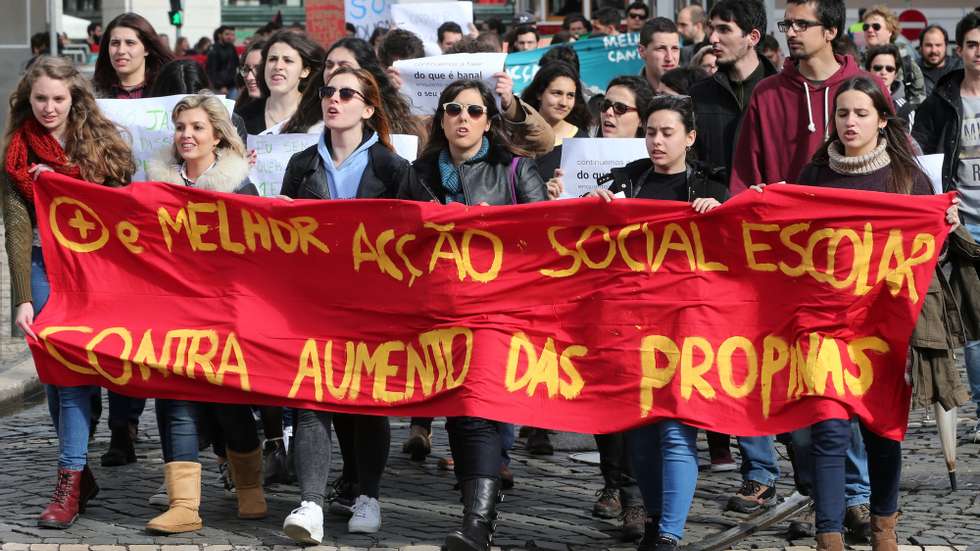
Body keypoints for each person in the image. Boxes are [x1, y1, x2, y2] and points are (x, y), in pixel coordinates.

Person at [728, 1, 887, 526]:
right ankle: (823, 493)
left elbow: (903, 166)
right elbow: (745, 175)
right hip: (781, 267)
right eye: (786, 25)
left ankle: (857, 497)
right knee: (795, 387)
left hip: (849, 270)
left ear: (831, 31)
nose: (790, 34)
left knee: (846, 385)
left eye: (801, 25)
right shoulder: (768, 93)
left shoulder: (863, 86)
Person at [787, 75, 946, 551]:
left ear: (882, 119)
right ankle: (829, 535)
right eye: (842, 113)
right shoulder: (813, 177)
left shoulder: (907, 179)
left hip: (883, 328)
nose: (850, 122)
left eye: (860, 113)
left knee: (882, 430)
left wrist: (943, 227)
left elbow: (928, 257)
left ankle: (883, 528)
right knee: (829, 432)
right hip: (823, 326)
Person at [399, 78, 548, 550]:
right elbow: (395, 242)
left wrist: (497, 230)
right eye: (453, 109)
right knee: (458, 415)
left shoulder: (515, 169)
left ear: (489, 120)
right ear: (440, 118)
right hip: (437, 311)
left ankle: (477, 523)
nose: (463, 118)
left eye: (475, 110)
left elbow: (547, 240)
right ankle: (477, 517)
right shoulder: (417, 174)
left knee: (475, 408)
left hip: (495, 311)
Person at [584, 95, 724, 551]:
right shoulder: (627, 181)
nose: (657, 141)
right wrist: (590, 204)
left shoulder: (711, 185)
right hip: (632, 326)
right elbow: (586, 239)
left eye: (667, 133)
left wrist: (719, 214)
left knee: (676, 428)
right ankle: (654, 519)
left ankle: (669, 534)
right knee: (639, 434)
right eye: (650, 132)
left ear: (690, 138)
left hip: (688, 327)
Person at [2, 56, 135, 529]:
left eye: (59, 98)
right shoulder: (18, 149)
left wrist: (67, 180)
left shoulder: (97, 141)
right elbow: (17, 226)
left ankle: (69, 478)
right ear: (27, 98)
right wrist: (20, 296)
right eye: (41, 98)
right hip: (42, 266)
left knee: (74, 377)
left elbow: (122, 195)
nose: (50, 107)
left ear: (74, 98)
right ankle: (79, 472)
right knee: (56, 378)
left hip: (91, 267)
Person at [279, 67, 409, 544]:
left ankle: (367, 495)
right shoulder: (301, 164)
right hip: (314, 303)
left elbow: (427, 229)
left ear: (368, 108)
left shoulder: (392, 168)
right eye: (328, 92)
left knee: (367, 401)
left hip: (373, 306)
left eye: (346, 94)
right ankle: (311, 502)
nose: (334, 100)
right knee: (311, 397)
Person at [141, 93, 257, 533]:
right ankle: (184, 505)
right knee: (175, 403)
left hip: (224, 313)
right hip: (171, 310)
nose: (186, 136)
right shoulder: (155, 184)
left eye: (196, 128)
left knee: (228, 404)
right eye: (180, 128)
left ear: (217, 137)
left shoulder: (240, 187)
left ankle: (250, 487)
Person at [913, 12, 980, 444]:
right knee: (975, 321)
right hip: (964, 221)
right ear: (960, 50)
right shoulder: (943, 99)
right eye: (972, 44)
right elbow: (925, 158)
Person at [690, 0, 776, 182]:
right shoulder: (698, 95)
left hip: (767, 205)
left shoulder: (781, 94)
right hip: (712, 205)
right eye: (712, 29)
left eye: (724, 29)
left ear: (753, 37)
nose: (712, 39)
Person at [237, 30, 325, 135]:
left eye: (288, 60)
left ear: (305, 71)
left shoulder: (320, 115)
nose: (278, 67)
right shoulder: (241, 118)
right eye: (272, 59)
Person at [521, 61, 591, 191]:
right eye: (557, 93)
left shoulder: (582, 141)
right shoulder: (517, 136)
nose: (564, 103)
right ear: (539, 94)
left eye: (570, 95)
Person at [93, 12, 174, 99]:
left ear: (147, 49)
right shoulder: (91, 93)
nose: (121, 51)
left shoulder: (168, 89)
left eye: (130, 43)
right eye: (115, 43)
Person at [861, 5, 925, 104]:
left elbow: (918, 98)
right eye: (866, 27)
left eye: (876, 26)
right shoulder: (856, 61)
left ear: (890, 31)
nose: (869, 30)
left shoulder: (905, 62)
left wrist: (905, 114)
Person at [866, 44, 922, 125]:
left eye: (889, 69)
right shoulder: (856, 99)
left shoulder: (905, 109)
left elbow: (903, 137)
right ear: (868, 71)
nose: (883, 72)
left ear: (895, 73)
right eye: (878, 68)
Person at [638, 18, 680, 93]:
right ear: (642, 51)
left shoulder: (695, 90)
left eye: (675, 48)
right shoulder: (629, 95)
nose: (669, 58)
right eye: (661, 49)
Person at [919, 25, 963, 96]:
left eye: (938, 45)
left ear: (946, 46)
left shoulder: (959, 68)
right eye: (928, 45)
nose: (933, 50)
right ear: (921, 47)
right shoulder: (913, 71)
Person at [234, 39, 266, 112]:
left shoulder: (294, 114)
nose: (249, 77)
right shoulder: (241, 109)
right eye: (246, 69)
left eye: (258, 69)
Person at [207, 25, 239, 96]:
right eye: (227, 34)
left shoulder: (232, 48)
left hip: (232, 86)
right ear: (219, 35)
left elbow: (236, 65)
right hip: (219, 88)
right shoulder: (214, 50)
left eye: (232, 34)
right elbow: (212, 71)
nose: (230, 37)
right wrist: (220, 86)